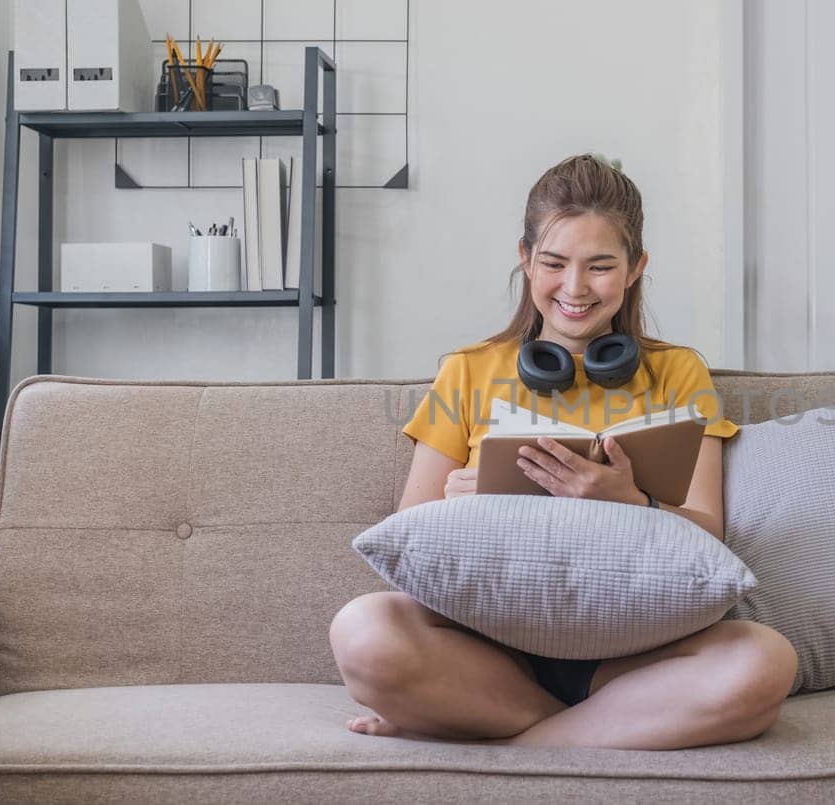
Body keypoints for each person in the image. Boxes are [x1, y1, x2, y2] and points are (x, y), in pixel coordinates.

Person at [329, 154, 796, 749]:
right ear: (526, 260)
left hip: (638, 655)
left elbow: (709, 537)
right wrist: (462, 505)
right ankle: (606, 727)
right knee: (363, 631)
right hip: (490, 652)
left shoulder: (679, 373)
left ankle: (513, 737)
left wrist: (629, 500)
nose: (575, 288)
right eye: (553, 263)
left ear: (635, 269)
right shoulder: (468, 372)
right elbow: (407, 546)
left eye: (600, 266)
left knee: (765, 662)